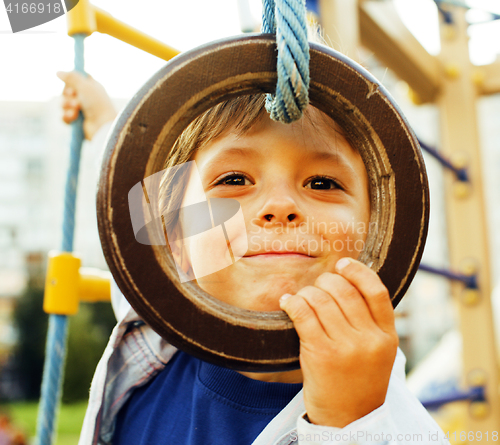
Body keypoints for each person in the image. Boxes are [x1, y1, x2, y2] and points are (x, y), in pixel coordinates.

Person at [58, 70, 449, 445]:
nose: (279, 206)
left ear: (380, 234)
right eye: (233, 180)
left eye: (323, 183)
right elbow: (128, 199)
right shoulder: (154, 309)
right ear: (174, 238)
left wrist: (348, 426)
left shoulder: (390, 422)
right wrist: (105, 121)